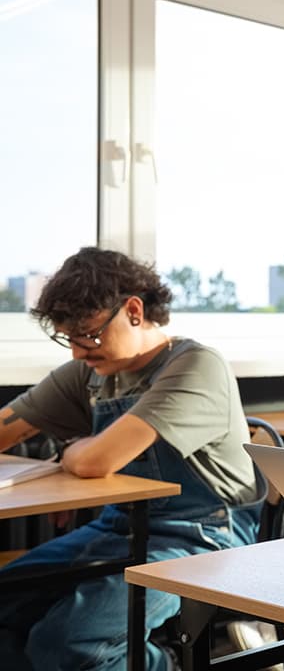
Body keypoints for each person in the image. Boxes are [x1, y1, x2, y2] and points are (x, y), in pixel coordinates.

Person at [0, 247, 260, 671]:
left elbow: (96, 462)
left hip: (204, 537)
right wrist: (78, 450)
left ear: (134, 311)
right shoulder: (93, 372)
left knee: (70, 643)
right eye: (69, 339)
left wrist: (71, 450)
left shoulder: (196, 366)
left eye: (88, 335)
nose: (78, 352)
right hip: (120, 526)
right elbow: (5, 429)